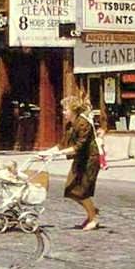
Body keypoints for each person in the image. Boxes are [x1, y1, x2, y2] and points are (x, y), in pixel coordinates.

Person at [40, 95, 101, 231]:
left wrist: (57, 154)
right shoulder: (71, 125)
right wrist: (47, 152)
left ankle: (93, 218)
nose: (63, 112)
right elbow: (63, 144)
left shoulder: (83, 123)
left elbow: (79, 146)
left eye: (65, 109)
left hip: (90, 159)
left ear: (73, 110)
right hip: (81, 159)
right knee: (71, 189)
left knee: (81, 190)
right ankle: (91, 210)